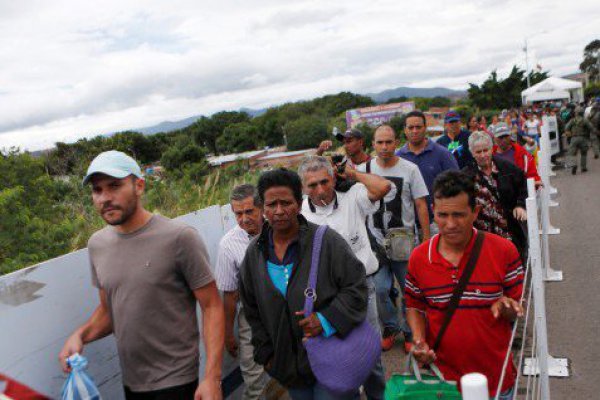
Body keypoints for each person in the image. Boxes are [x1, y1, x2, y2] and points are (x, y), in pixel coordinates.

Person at [58, 151, 224, 400]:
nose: (105, 198)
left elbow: (212, 305)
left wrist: (212, 377)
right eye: (97, 190)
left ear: (139, 185)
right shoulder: (97, 245)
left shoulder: (179, 237)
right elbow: (109, 310)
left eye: (114, 186)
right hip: (132, 382)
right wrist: (80, 336)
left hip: (176, 380)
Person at [239, 168, 368, 400]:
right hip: (288, 368)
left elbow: (356, 287)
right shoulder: (254, 253)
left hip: (332, 360)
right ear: (263, 208)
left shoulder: (327, 242)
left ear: (299, 204)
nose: (279, 211)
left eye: (286, 202)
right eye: (271, 204)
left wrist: (326, 320)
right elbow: (251, 309)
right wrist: (267, 355)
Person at [405, 170, 524, 400]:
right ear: (433, 212)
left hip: (497, 383)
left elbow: (516, 307)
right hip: (444, 383)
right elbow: (414, 305)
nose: (450, 224)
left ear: (476, 212)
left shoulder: (503, 251)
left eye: (459, 215)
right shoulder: (419, 258)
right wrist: (419, 340)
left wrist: (509, 307)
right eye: (442, 215)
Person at [298, 155, 392, 400]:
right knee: (336, 358)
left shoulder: (353, 197)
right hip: (324, 297)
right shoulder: (298, 213)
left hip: (363, 289)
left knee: (370, 355)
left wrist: (352, 174)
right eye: (312, 185)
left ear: (333, 178)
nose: (320, 190)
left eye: (324, 182)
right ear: (302, 188)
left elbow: (383, 187)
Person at [357, 125, 430, 352]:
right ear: (373, 143)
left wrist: (426, 240)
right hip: (375, 242)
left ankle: (410, 332)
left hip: (404, 241)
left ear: (396, 142)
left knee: (409, 289)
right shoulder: (362, 169)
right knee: (379, 288)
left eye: (389, 142)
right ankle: (390, 326)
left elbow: (420, 204)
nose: (385, 147)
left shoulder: (410, 169)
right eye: (380, 142)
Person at [215, 184, 267, 400]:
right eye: (238, 213)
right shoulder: (228, 244)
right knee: (253, 374)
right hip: (252, 315)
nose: (244, 219)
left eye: (249, 211)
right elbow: (229, 294)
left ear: (261, 207)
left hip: (287, 307)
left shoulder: (279, 227)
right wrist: (228, 333)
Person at [463, 132, 528, 257]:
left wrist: (520, 205)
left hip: (509, 231)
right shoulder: (465, 176)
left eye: (485, 150)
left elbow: (523, 186)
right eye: (478, 152)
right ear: (472, 153)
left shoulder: (507, 168)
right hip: (482, 236)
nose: (483, 155)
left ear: (492, 149)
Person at [396, 110, 459, 230]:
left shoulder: (442, 154)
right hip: (408, 225)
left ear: (425, 128)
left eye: (418, 127)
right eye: (411, 127)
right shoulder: (398, 157)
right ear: (405, 130)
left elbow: (457, 184)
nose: (414, 131)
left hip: (438, 222)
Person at [492, 123, 542, 187]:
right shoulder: (489, 157)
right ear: (494, 138)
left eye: (506, 136)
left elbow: (533, 177)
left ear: (510, 135)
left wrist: (532, 183)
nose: (504, 140)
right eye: (500, 137)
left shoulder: (523, 153)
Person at [565, 107, 597, 174]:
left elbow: (566, 128)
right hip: (583, 138)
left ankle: (574, 165)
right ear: (582, 113)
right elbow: (591, 128)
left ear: (576, 113)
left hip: (574, 138)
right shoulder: (585, 120)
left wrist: (569, 133)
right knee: (583, 153)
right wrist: (596, 132)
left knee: (572, 153)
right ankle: (583, 168)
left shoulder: (572, 120)